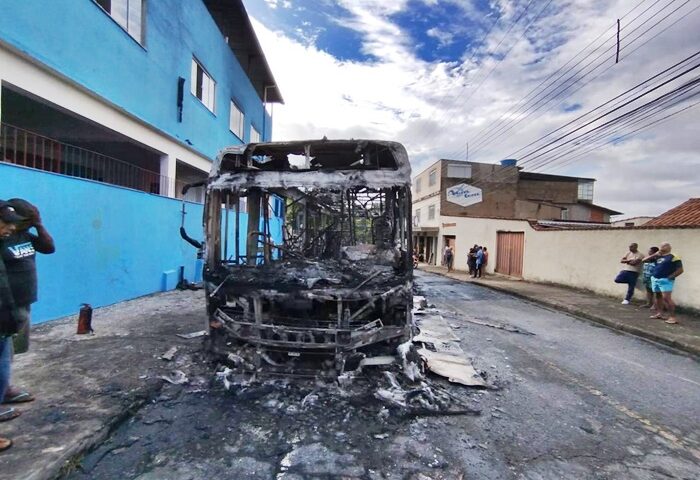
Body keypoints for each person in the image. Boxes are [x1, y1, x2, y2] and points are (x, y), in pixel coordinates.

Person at [0, 199, 55, 407]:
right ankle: (4, 389)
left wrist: (39, 225)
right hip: (6, 305)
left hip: (24, 302)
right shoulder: (4, 238)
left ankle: (4, 387)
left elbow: (49, 248)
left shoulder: (25, 236)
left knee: (9, 351)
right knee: (3, 351)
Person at [0, 201, 30, 451]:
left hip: (5, 319)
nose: (11, 228)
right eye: (6, 223)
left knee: (3, 370)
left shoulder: (12, 240)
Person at [646, 242, 683, 325]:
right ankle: (659, 313)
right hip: (655, 279)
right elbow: (644, 260)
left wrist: (670, 277)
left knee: (666, 298)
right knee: (658, 296)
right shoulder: (658, 256)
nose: (662, 247)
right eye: (661, 246)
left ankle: (673, 317)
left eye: (664, 246)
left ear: (669, 247)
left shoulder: (674, 256)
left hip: (665, 280)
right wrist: (655, 254)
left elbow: (680, 270)